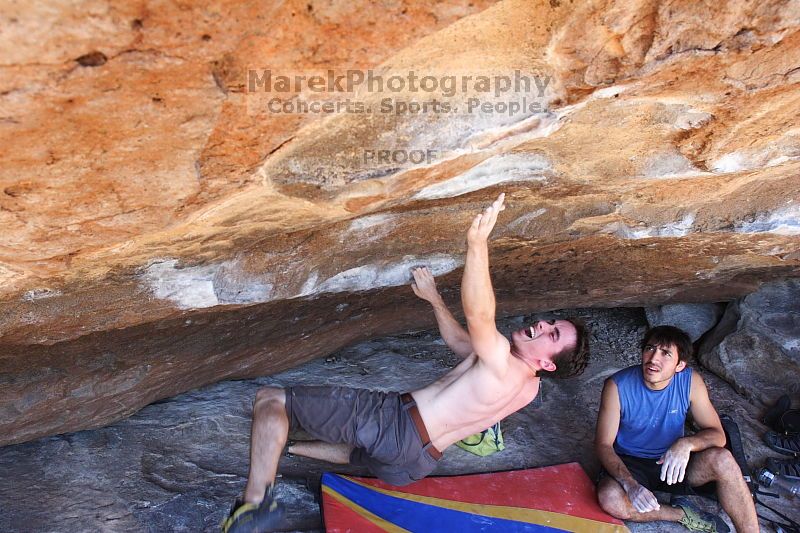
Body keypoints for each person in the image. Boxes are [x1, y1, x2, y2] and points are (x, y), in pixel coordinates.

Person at [222, 193, 590, 532]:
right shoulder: (528, 385)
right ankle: (285, 446)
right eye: (552, 323)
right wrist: (433, 299)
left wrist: (477, 246)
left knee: (270, 400)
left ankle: (255, 505)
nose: (543, 325)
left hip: (394, 426)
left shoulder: (502, 362)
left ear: (548, 362)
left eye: (553, 335)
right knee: (358, 454)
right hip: (415, 464)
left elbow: (480, 318)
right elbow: (466, 343)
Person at [594, 325, 759, 533]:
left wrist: (687, 443)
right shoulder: (617, 386)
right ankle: (682, 514)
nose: (653, 359)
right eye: (650, 348)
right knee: (610, 498)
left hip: (672, 462)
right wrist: (629, 484)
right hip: (631, 462)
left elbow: (717, 434)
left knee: (723, 460)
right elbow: (603, 445)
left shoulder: (690, 382)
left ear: (680, 365)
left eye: (665, 354)